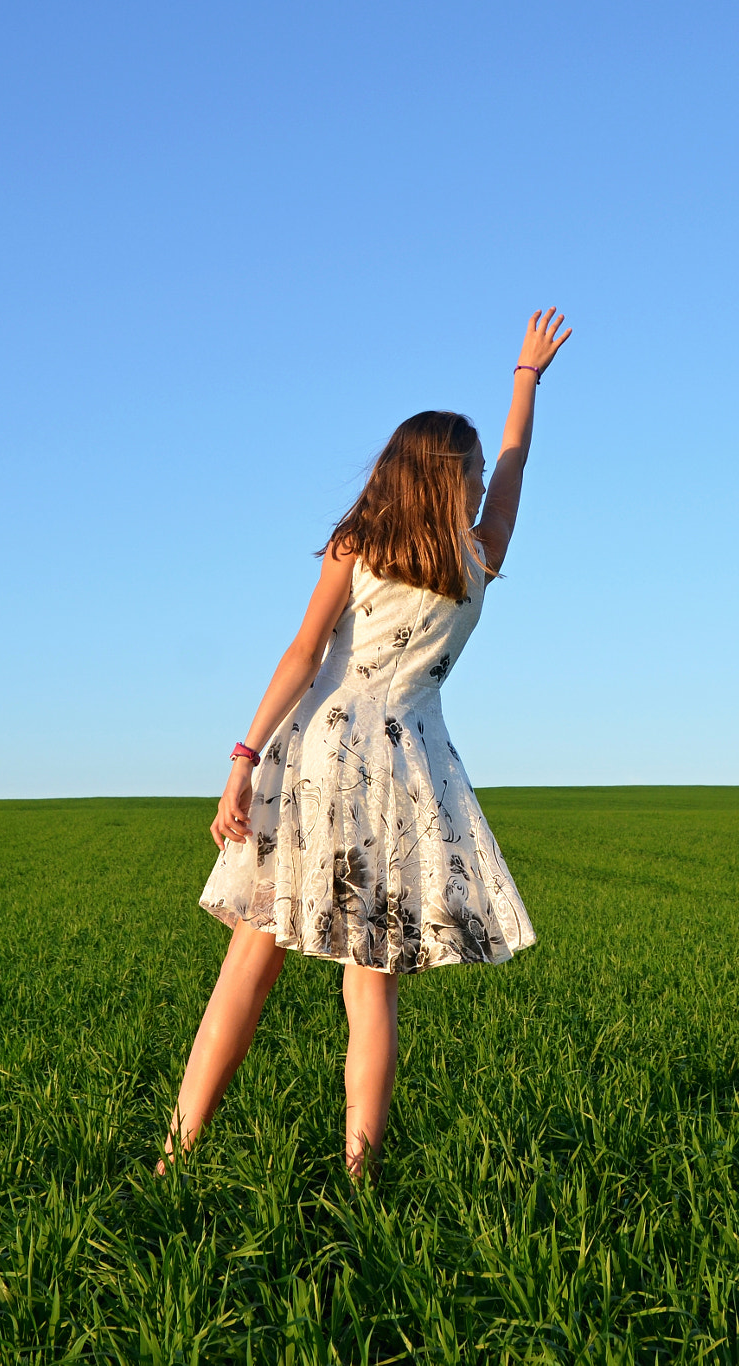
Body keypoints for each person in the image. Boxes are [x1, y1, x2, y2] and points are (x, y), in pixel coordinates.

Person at [166, 309, 574, 1179]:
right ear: (453, 483)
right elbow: (515, 467)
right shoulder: (479, 559)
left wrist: (242, 758)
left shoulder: (359, 544)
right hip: (409, 766)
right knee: (371, 979)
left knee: (252, 957)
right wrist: (526, 381)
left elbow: (302, 654)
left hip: (321, 751)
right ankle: (358, 1171)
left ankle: (177, 1153)